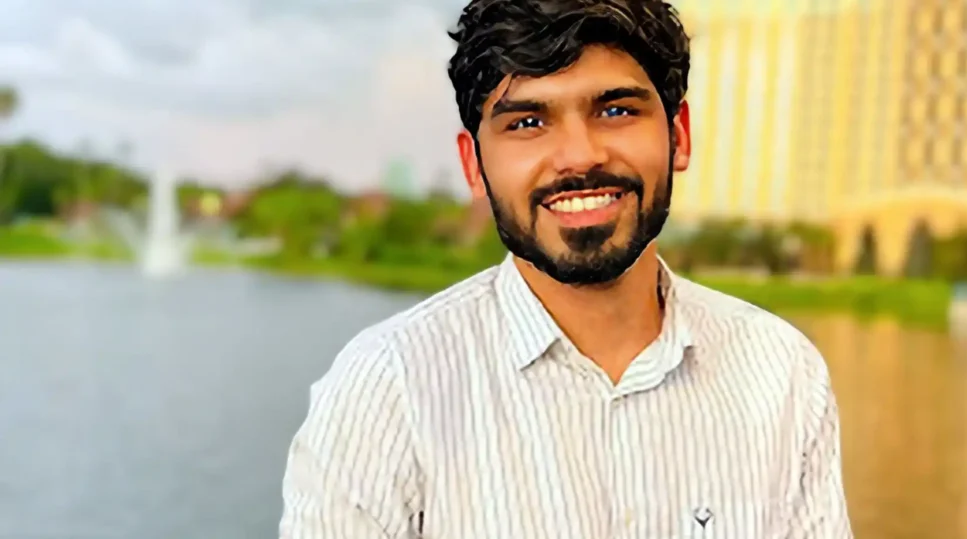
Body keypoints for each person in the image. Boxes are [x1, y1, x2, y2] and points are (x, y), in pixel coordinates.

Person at [276, 0, 853, 537]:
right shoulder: (387, 391)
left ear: (678, 135)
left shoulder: (781, 375)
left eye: (616, 110)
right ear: (474, 166)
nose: (580, 156)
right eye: (528, 123)